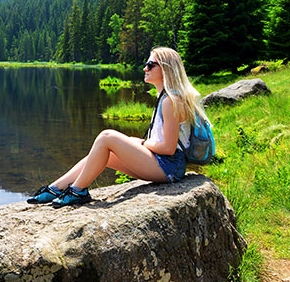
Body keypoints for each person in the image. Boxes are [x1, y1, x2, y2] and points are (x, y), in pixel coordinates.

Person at [27, 47, 208, 208]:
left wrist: (143, 144)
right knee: (103, 153)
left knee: (107, 136)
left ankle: (78, 191)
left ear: (166, 69)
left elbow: (168, 148)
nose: (145, 68)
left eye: (150, 64)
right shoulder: (165, 97)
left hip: (169, 166)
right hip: (162, 162)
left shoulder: (171, 101)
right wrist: (139, 143)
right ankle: (57, 187)